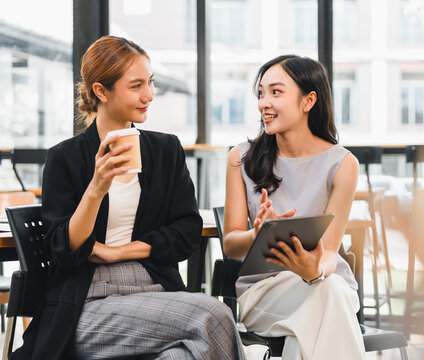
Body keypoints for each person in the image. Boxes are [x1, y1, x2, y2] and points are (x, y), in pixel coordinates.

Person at [12, 35, 245, 360]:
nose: (148, 95)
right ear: (100, 91)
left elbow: (186, 231)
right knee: (214, 314)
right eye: (136, 86)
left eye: (150, 83)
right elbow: (64, 249)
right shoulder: (65, 158)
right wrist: (97, 187)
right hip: (88, 304)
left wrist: (118, 251)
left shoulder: (166, 150)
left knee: (180, 357)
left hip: (158, 290)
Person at [223, 55, 366, 360]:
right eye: (261, 93)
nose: (264, 103)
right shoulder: (241, 158)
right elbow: (232, 245)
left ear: (308, 100)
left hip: (327, 280)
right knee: (327, 300)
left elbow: (329, 251)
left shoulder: (343, 164)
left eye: (276, 92)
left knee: (325, 294)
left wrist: (313, 270)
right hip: (264, 292)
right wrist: (255, 235)